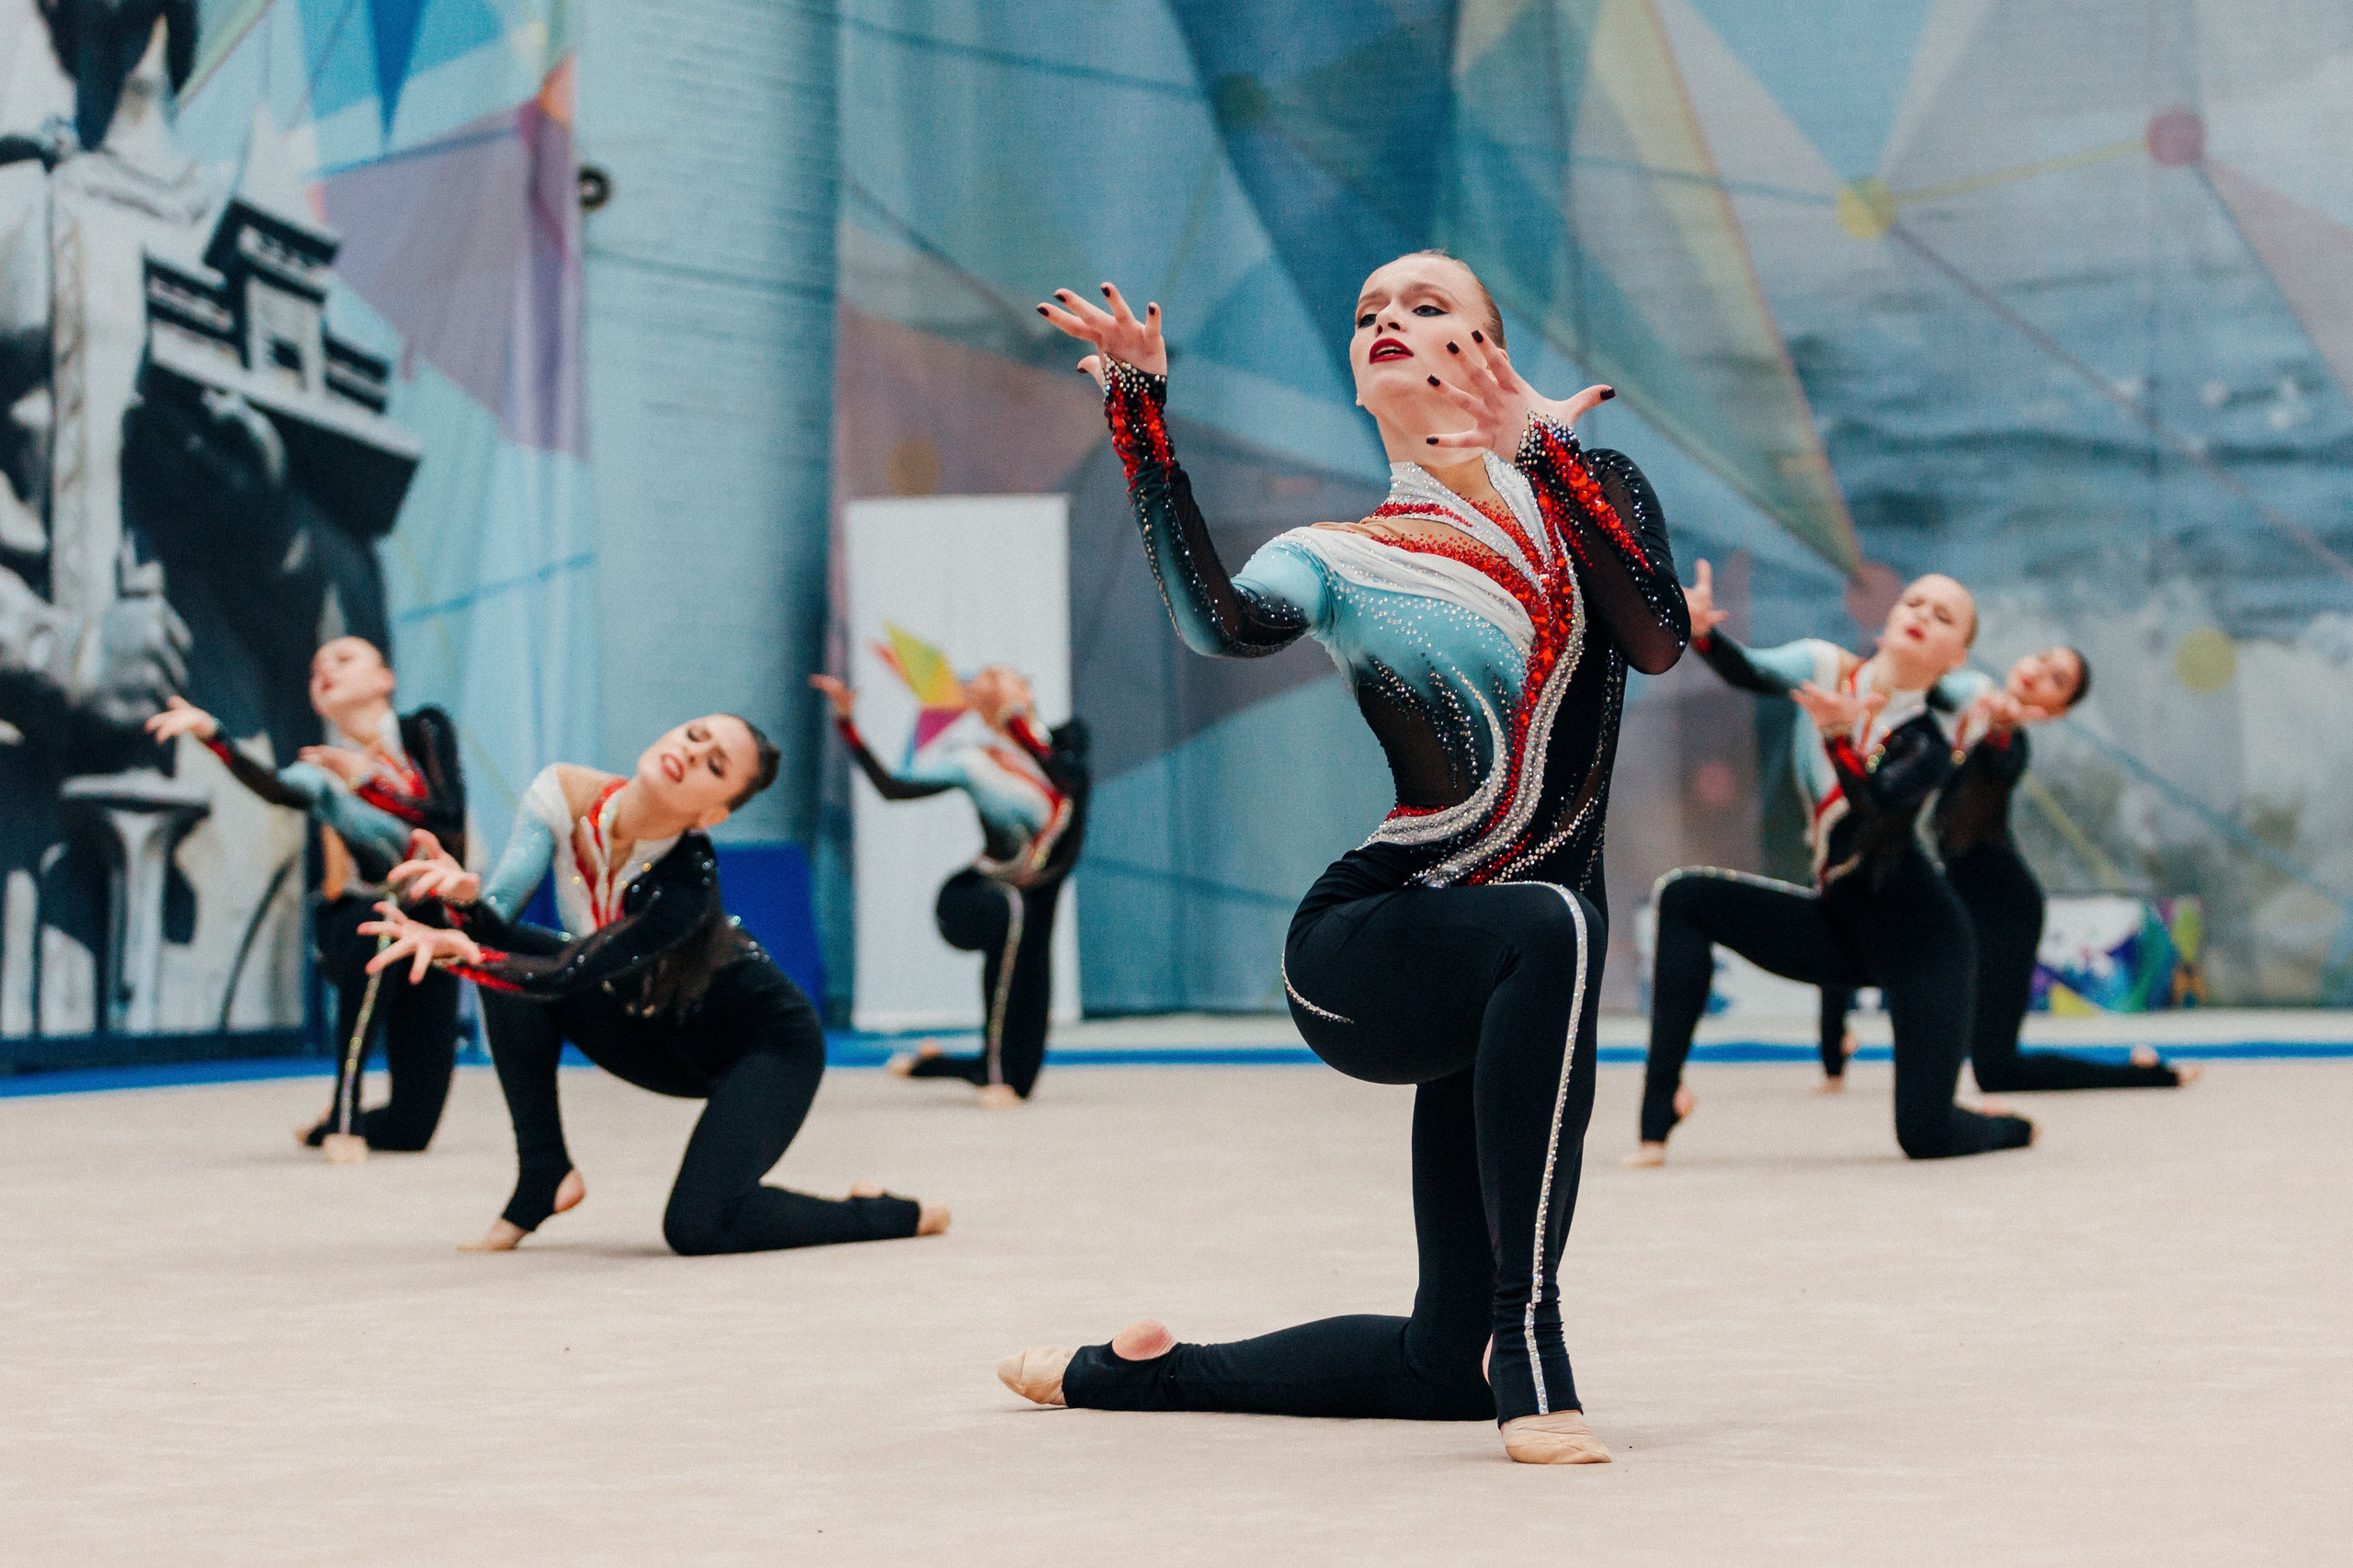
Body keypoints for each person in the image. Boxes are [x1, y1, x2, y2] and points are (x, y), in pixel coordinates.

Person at [995, 254, 1688, 1466]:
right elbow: (1218, 617)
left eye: (1427, 307)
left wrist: (1544, 453)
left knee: (1437, 1367)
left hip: (1516, 967)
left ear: (1488, 349)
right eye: (1367, 311)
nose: (1388, 321)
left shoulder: (1591, 485)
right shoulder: (1341, 554)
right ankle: (1537, 1350)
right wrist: (1140, 412)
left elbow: (1657, 637)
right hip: (1373, 945)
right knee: (1552, 922)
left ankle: (1140, 1376)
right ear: (1361, 385)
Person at [365, 712, 949, 1256]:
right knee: (507, 954)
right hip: (651, 1029)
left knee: (698, 1225)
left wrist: (471, 955)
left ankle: (880, 1215)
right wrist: (463, 905)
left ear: (712, 814)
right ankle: (544, 1171)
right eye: (695, 736)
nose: (691, 754)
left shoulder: (686, 883)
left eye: (715, 765)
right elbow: (497, 922)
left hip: (764, 1045)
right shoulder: (561, 794)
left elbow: (570, 972)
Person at [1635, 565, 2035, 1164]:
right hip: (1840, 922)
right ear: (1887, 619)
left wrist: (1846, 738)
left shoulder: (1938, 725)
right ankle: (1659, 1110)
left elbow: (1881, 808)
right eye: (1914, 603)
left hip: (1923, 941)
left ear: (1957, 656)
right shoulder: (1826, 668)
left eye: (1942, 616)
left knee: (1925, 1136)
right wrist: (1702, 635)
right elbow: (1753, 670)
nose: (1922, 615)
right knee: (1685, 897)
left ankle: (2011, 1127)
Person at [1816, 646, 2198, 1092]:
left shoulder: (2010, 743)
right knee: (1858, 912)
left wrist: (2002, 724)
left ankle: (2145, 1073)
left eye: (2056, 681)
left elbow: (2000, 753)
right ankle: (1834, 1044)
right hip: (1961, 894)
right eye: (2041, 660)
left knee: (1996, 1069)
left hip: (2005, 908)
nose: (2037, 674)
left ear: (2054, 713)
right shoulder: (1965, 717)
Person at [145, 636, 464, 1156]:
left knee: (413, 1130)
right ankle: (343, 1114)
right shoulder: (321, 770)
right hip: (364, 921)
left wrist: (363, 780)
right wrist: (214, 735)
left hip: (434, 922)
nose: (325, 673)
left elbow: (447, 820)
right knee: (378, 918)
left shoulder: (425, 729)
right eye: (315, 669)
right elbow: (271, 785)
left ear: (385, 679)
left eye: (342, 660)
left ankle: (329, 1124)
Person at [813, 665, 1088, 1106]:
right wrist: (848, 725)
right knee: (1009, 919)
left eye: (1003, 676)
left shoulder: (1068, 744)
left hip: (1037, 897)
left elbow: (1069, 787)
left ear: (1026, 687)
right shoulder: (972, 761)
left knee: (1027, 1062)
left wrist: (1015, 723)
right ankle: (995, 1076)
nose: (995, 682)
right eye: (985, 681)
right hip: (979, 894)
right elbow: (893, 787)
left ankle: (941, 1064)